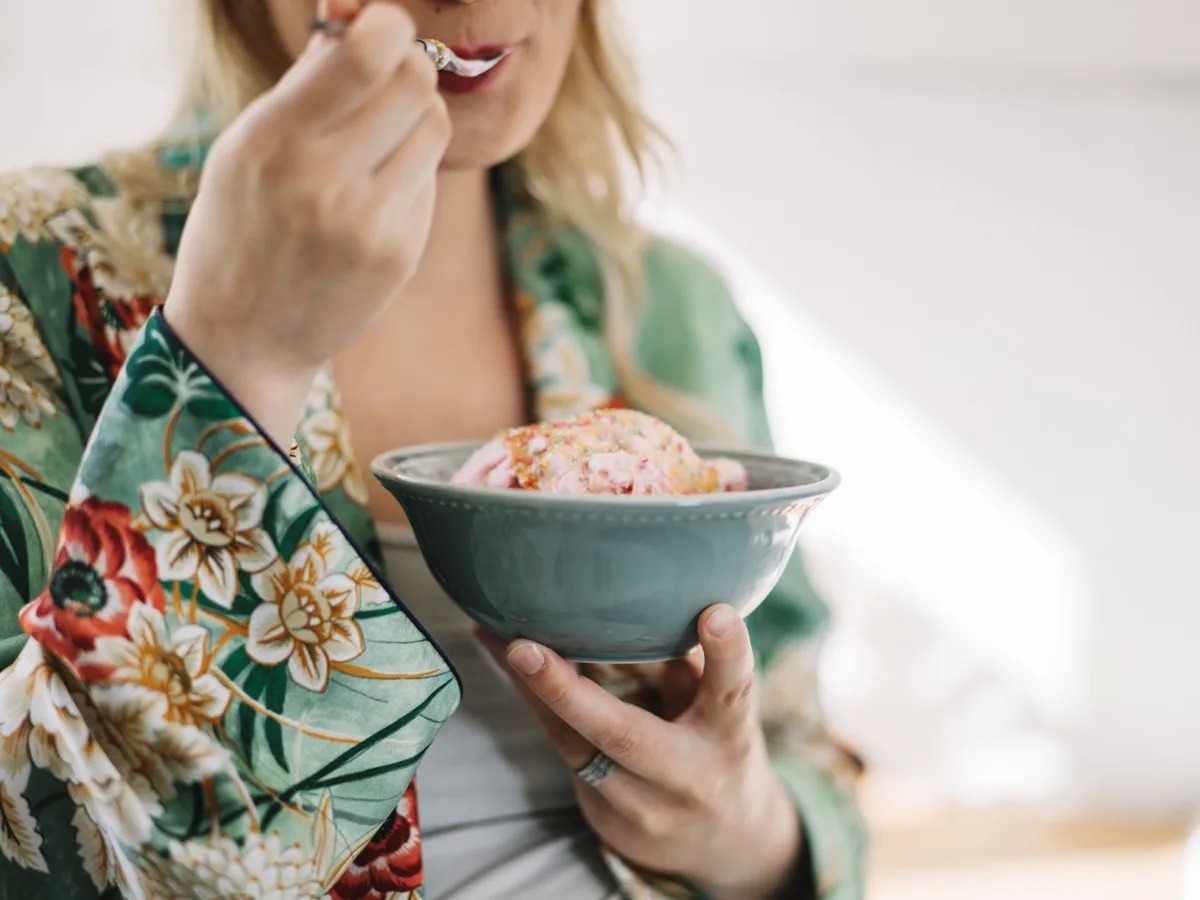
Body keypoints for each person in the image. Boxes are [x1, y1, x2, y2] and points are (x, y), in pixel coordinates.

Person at [0, 0, 865, 897]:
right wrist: (232, 365)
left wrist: (741, 831)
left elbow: (807, 763)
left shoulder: (674, 311)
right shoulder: (27, 277)